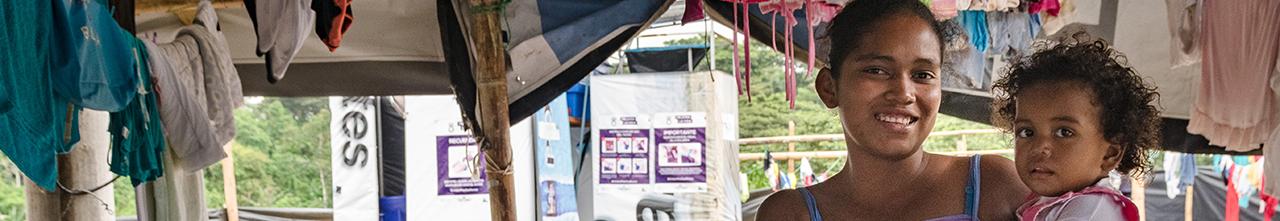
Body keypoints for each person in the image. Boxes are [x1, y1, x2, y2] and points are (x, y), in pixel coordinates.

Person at [755, 0, 1029, 220]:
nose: (903, 93)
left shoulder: (994, 186)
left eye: (922, 75)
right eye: (876, 70)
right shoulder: (790, 213)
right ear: (829, 87)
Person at [991, 34, 1158, 221]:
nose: (1039, 147)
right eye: (1027, 132)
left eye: (1064, 132)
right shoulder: (1050, 203)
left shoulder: (1092, 210)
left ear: (1110, 154)